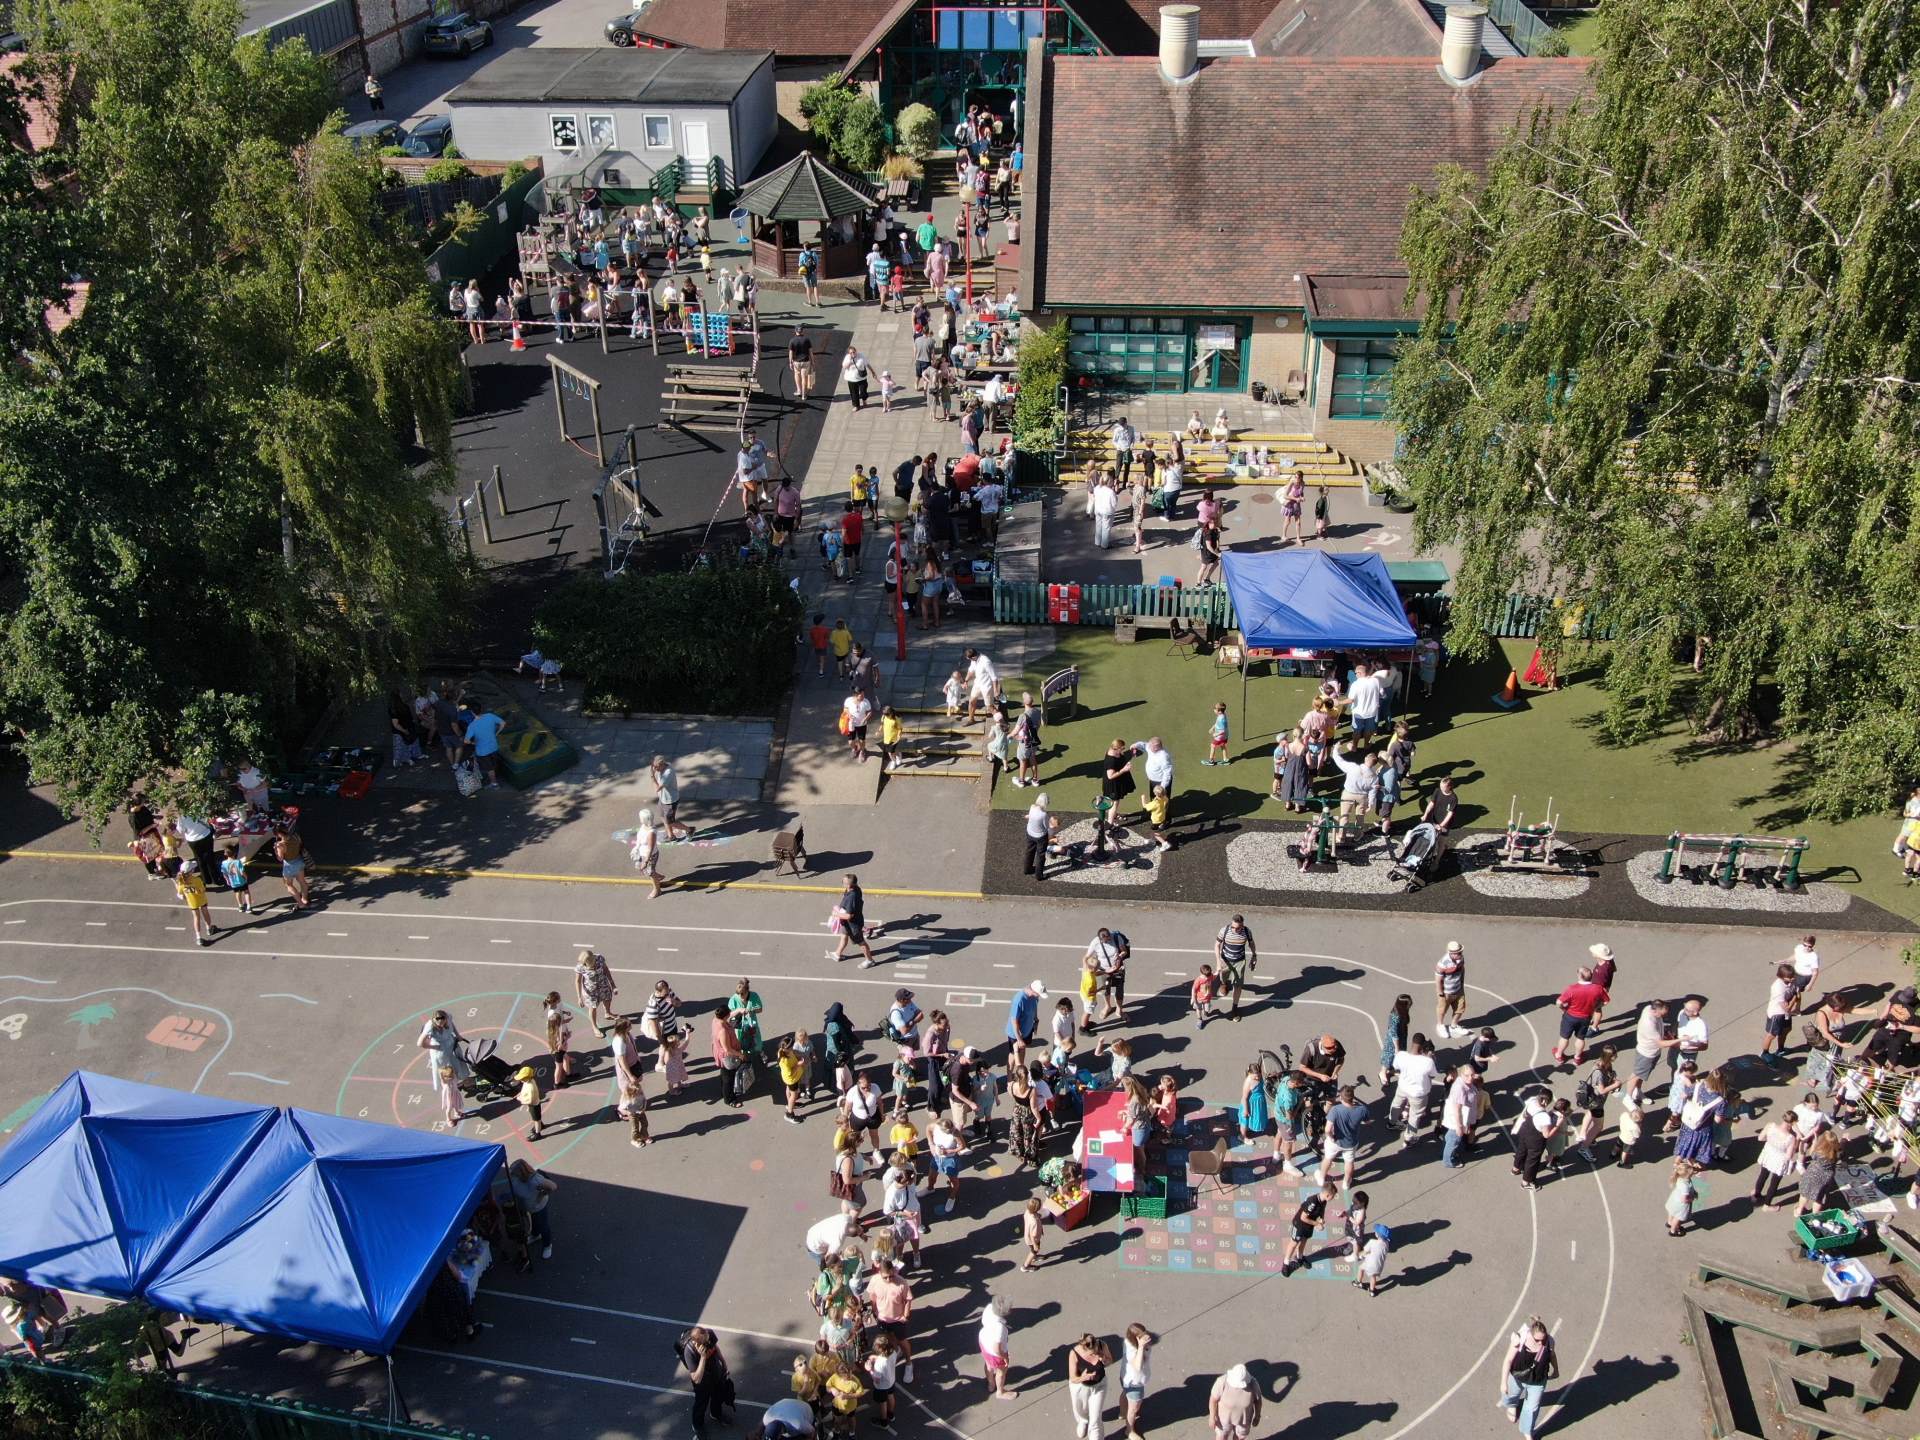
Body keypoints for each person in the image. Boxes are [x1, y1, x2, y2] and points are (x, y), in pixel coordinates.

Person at [1500, 1318, 1558, 1438]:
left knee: (1532, 1408)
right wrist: (1503, 1382)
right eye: (1537, 1340)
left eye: (1543, 1339)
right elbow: (1508, 1360)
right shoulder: (1520, 1339)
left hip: (1538, 1380)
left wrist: (1556, 1370)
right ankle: (1512, 1405)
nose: (1540, 1343)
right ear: (1531, 1334)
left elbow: (1552, 1355)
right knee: (1511, 1394)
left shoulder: (1549, 1341)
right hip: (1518, 1376)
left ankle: (1526, 1430)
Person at [1551, 964, 1610, 1067]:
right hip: (1585, 1018)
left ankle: (1559, 1055)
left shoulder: (1572, 989)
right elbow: (1606, 1001)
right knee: (1580, 1038)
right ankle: (1577, 1058)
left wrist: (1564, 1009)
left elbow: (1558, 1002)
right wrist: (1596, 1007)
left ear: (1580, 976)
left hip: (1570, 1017)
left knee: (1564, 1037)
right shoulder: (1598, 988)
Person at [1280, 1180, 1334, 1275]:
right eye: (1333, 1196)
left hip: (1309, 1225)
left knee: (1304, 1241)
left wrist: (1321, 1219)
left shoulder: (1324, 1201)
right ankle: (1286, 1263)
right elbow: (1303, 1217)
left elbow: (1322, 1211)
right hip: (1299, 1225)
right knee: (1294, 1243)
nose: (1333, 1198)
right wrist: (1317, 1224)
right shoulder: (1312, 1202)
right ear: (1327, 1195)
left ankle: (1299, 1258)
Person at [507, 1158, 557, 1259]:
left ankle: (547, 1245)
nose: (511, 1173)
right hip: (528, 1207)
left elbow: (553, 1186)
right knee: (534, 1221)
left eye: (514, 1171)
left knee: (543, 1226)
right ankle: (535, 1235)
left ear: (521, 1172)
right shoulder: (515, 1178)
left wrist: (542, 1194)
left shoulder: (535, 1180)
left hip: (538, 1207)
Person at [1067, 1333, 1113, 1440]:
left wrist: (1104, 1360)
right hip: (1080, 1387)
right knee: (1080, 1410)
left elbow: (1110, 1360)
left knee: (1096, 1417)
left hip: (1100, 1386)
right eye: (1092, 1353)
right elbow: (1073, 1378)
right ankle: (1083, 1421)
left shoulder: (1102, 1345)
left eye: (1096, 1351)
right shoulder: (1074, 1353)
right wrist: (1083, 1377)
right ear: (1084, 1348)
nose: (1095, 1354)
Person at [1323, 1084, 1368, 1190]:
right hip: (1351, 1143)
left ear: (1341, 1097)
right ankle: (1346, 1183)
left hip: (1336, 1141)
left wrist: (1331, 1137)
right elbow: (1366, 1121)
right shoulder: (1362, 1109)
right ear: (1352, 1097)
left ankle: (1322, 1177)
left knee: (1328, 1158)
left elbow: (1327, 1130)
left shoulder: (1335, 1110)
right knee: (1349, 1162)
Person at [1214, 914, 1257, 1018]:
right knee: (1223, 976)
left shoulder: (1246, 931)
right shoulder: (1224, 930)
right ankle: (1224, 984)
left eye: (1237, 928)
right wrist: (1218, 962)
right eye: (1233, 927)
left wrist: (1254, 955)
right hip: (1225, 960)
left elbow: (1251, 943)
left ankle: (1234, 1007)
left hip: (1239, 961)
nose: (1234, 930)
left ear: (1242, 925)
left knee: (1238, 985)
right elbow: (1217, 945)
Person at [828, 874, 877, 967]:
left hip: (853, 925)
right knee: (844, 935)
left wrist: (836, 914)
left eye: (843, 882)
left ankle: (870, 960)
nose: (842, 883)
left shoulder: (852, 897)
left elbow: (849, 916)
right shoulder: (855, 889)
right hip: (846, 923)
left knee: (861, 942)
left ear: (849, 885)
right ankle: (837, 954)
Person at [1208, 1363, 1262, 1440]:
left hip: (1244, 1419)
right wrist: (1212, 1417)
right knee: (1221, 1437)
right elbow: (1213, 1400)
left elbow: (1258, 1401)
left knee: (1239, 1437)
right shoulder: (1222, 1382)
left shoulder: (1253, 1384)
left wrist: (1257, 1416)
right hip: (1223, 1418)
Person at [574, 948, 618, 1034]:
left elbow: (606, 970)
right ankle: (594, 1026)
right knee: (593, 1008)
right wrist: (579, 997)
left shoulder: (600, 958)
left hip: (603, 985)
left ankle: (608, 1013)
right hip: (590, 991)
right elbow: (578, 981)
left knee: (607, 998)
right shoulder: (580, 966)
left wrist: (613, 985)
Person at [173, 859, 218, 945]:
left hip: (192, 902)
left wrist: (184, 896)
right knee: (205, 913)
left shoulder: (181, 882)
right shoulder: (197, 880)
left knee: (196, 918)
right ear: (191, 871)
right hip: (201, 900)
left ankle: (198, 937)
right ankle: (209, 928)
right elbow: (202, 890)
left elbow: (180, 894)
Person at [978, 1295, 1014, 1398]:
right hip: (995, 1353)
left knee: (988, 1365)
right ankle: (1000, 1392)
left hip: (983, 1341)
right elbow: (996, 1348)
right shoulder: (999, 1328)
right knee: (1001, 1371)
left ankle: (991, 1384)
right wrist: (1005, 1357)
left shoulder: (989, 1307)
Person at [1434, 940, 1468, 1037]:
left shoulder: (1461, 959)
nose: (1461, 954)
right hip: (1446, 992)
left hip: (1458, 989)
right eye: (1458, 953)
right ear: (1452, 953)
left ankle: (1454, 1025)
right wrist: (1440, 993)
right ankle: (1440, 1025)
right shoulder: (1442, 964)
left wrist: (1462, 983)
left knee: (1460, 1009)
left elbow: (1462, 969)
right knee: (1442, 1010)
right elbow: (1438, 980)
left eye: (1461, 952)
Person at [629, 808, 664, 898]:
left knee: (650, 873)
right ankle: (658, 877)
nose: (639, 818)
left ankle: (657, 890)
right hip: (641, 853)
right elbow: (640, 838)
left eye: (640, 817)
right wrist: (636, 848)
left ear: (644, 819)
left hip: (650, 856)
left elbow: (650, 849)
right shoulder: (644, 826)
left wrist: (645, 861)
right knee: (641, 869)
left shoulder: (651, 833)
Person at [1023, 791, 1054, 880]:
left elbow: (1030, 816)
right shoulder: (1044, 815)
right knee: (1040, 855)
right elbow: (1047, 826)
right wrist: (1051, 834)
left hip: (1030, 833)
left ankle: (1027, 869)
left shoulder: (1032, 807)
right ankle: (1039, 875)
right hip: (1040, 837)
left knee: (1029, 851)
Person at [1354, 1224, 1391, 1296]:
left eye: (1376, 1232)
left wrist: (1359, 1255)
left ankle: (1358, 1282)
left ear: (1377, 1235)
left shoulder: (1372, 1242)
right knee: (1373, 1277)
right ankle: (1372, 1291)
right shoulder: (1386, 1244)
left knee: (1360, 1268)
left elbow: (1365, 1251)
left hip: (1369, 1264)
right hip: (1379, 1265)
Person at [218, 846, 252, 915]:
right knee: (246, 892)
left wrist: (227, 880)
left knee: (237, 893)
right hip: (242, 880)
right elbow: (242, 872)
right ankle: (248, 907)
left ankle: (240, 906)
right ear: (234, 853)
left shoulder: (224, 863)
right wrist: (246, 877)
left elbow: (224, 873)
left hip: (233, 882)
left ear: (225, 854)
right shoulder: (237, 862)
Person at [789, 324, 816, 400]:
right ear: (802, 331)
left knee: (797, 374)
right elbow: (810, 352)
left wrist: (790, 362)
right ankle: (804, 395)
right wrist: (813, 362)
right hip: (806, 361)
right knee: (804, 378)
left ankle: (799, 390)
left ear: (795, 331)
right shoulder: (807, 340)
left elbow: (791, 352)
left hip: (796, 362)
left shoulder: (792, 340)